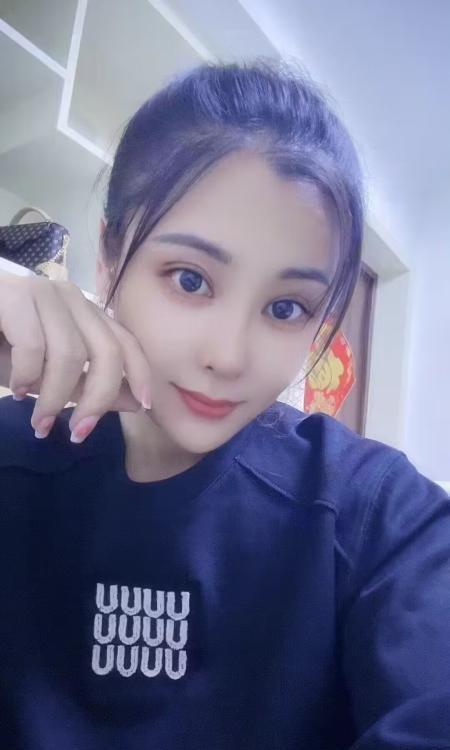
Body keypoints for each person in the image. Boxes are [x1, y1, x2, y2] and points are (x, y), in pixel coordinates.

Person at [0, 59, 449, 750]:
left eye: (286, 307)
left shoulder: (377, 516)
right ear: (109, 255)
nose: (229, 356)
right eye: (190, 279)